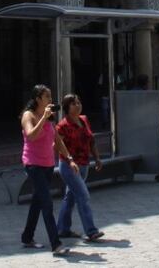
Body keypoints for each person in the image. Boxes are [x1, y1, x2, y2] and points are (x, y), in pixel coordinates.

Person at [20, 84, 77, 256]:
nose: (50, 101)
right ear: (38, 99)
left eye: (51, 97)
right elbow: (31, 135)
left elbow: (57, 140)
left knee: (37, 201)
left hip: (47, 165)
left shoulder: (48, 117)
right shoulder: (28, 115)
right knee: (47, 203)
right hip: (33, 164)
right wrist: (44, 118)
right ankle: (56, 244)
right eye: (47, 97)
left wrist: (70, 159)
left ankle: (27, 237)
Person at [55, 95, 104, 242]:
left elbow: (91, 141)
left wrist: (97, 157)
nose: (77, 105)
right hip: (69, 167)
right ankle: (91, 231)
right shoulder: (62, 126)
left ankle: (62, 229)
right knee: (83, 195)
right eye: (73, 104)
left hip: (84, 165)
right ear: (67, 108)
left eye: (78, 102)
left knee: (70, 198)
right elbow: (58, 145)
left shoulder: (84, 120)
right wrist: (69, 160)